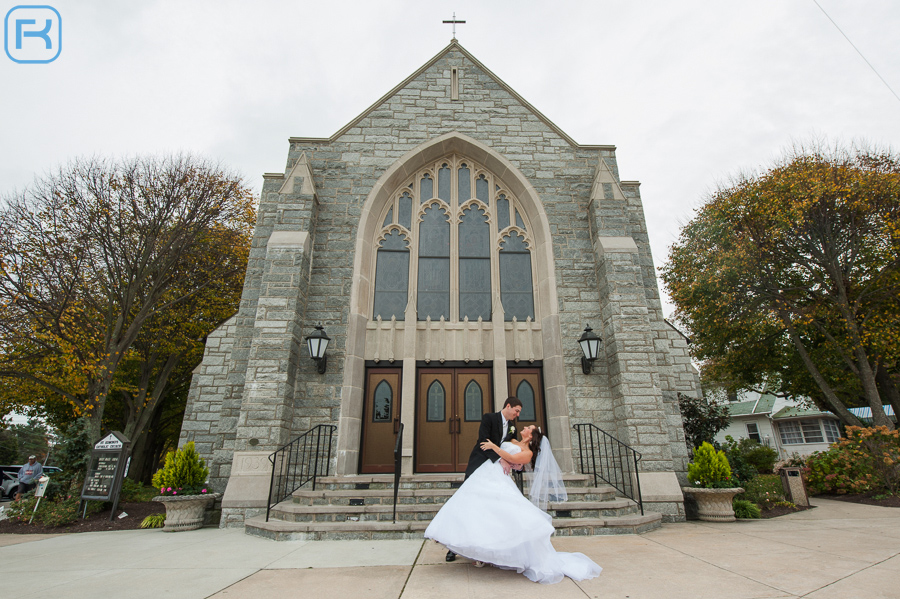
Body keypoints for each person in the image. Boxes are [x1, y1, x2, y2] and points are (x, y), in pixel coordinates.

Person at [425, 425, 602, 584]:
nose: (524, 427)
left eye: (528, 428)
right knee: (475, 507)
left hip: (498, 478)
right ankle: (474, 550)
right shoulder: (512, 439)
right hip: (486, 473)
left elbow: (510, 457)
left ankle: (484, 552)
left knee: (500, 513)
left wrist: (494, 448)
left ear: (531, 436)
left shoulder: (528, 453)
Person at [445, 396, 522, 562]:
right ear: (508, 405)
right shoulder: (489, 418)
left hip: (495, 472)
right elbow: (483, 442)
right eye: (516, 411)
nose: (517, 415)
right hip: (480, 464)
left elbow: (511, 446)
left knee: (489, 508)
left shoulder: (512, 428)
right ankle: (453, 547)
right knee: (466, 504)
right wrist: (500, 459)